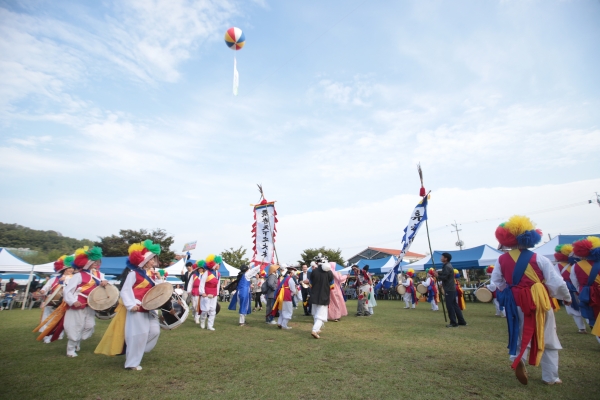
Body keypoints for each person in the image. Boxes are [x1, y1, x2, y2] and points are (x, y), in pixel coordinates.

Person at [492, 216, 571, 385]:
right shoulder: (539, 258)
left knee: (518, 332)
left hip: (516, 302)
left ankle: (518, 358)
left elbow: (497, 282)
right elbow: (556, 282)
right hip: (539, 300)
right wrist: (567, 297)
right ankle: (550, 377)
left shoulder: (501, 259)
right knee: (548, 335)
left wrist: (511, 290)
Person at [119, 240, 162, 370]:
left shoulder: (149, 275)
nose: (153, 262)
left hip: (148, 308)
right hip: (137, 308)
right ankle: (132, 363)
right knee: (138, 335)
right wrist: (131, 305)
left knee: (154, 331)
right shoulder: (133, 274)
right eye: (151, 259)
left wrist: (159, 278)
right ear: (144, 260)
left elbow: (158, 290)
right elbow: (125, 290)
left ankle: (138, 351)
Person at [63, 246, 106, 357]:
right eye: (94, 261)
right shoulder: (78, 275)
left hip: (91, 305)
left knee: (89, 326)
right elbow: (67, 291)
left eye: (97, 261)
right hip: (79, 304)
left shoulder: (99, 276)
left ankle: (77, 341)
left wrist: (105, 284)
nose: (96, 263)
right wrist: (73, 302)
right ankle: (70, 349)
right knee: (76, 326)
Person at [570, 236, 600, 343]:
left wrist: (582, 291)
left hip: (587, 295)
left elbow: (575, 283)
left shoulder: (575, 266)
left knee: (593, 317)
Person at [38, 255, 75, 342]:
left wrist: (63, 283)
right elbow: (46, 287)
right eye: (70, 268)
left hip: (63, 303)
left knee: (60, 320)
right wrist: (43, 291)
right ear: (65, 269)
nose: (72, 270)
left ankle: (59, 334)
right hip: (51, 301)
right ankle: (46, 335)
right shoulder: (54, 279)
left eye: (72, 268)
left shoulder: (73, 279)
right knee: (47, 319)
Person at [435, 253, 467, 328]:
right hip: (451, 288)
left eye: (442, 257)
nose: (441, 258)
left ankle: (453, 322)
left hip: (449, 289)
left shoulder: (447, 266)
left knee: (450, 306)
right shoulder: (447, 266)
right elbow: (446, 275)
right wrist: (439, 274)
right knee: (455, 305)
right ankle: (461, 321)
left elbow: (445, 277)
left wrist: (437, 276)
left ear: (446, 258)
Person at [310, 257, 334, 339]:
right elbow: (332, 285)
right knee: (321, 315)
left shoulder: (313, 272)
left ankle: (317, 329)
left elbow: (310, 284)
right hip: (324, 296)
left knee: (315, 314)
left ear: (316, 263)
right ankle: (315, 329)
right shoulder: (329, 272)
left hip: (314, 295)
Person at [199, 254, 221, 331]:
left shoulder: (218, 274)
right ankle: (202, 320)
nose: (219, 265)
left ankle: (210, 325)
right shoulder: (207, 273)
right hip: (206, 293)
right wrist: (202, 292)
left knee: (212, 310)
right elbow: (201, 283)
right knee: (205, 309)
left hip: (214, 294)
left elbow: (218, 285)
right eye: (217, 263)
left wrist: (217, 293)